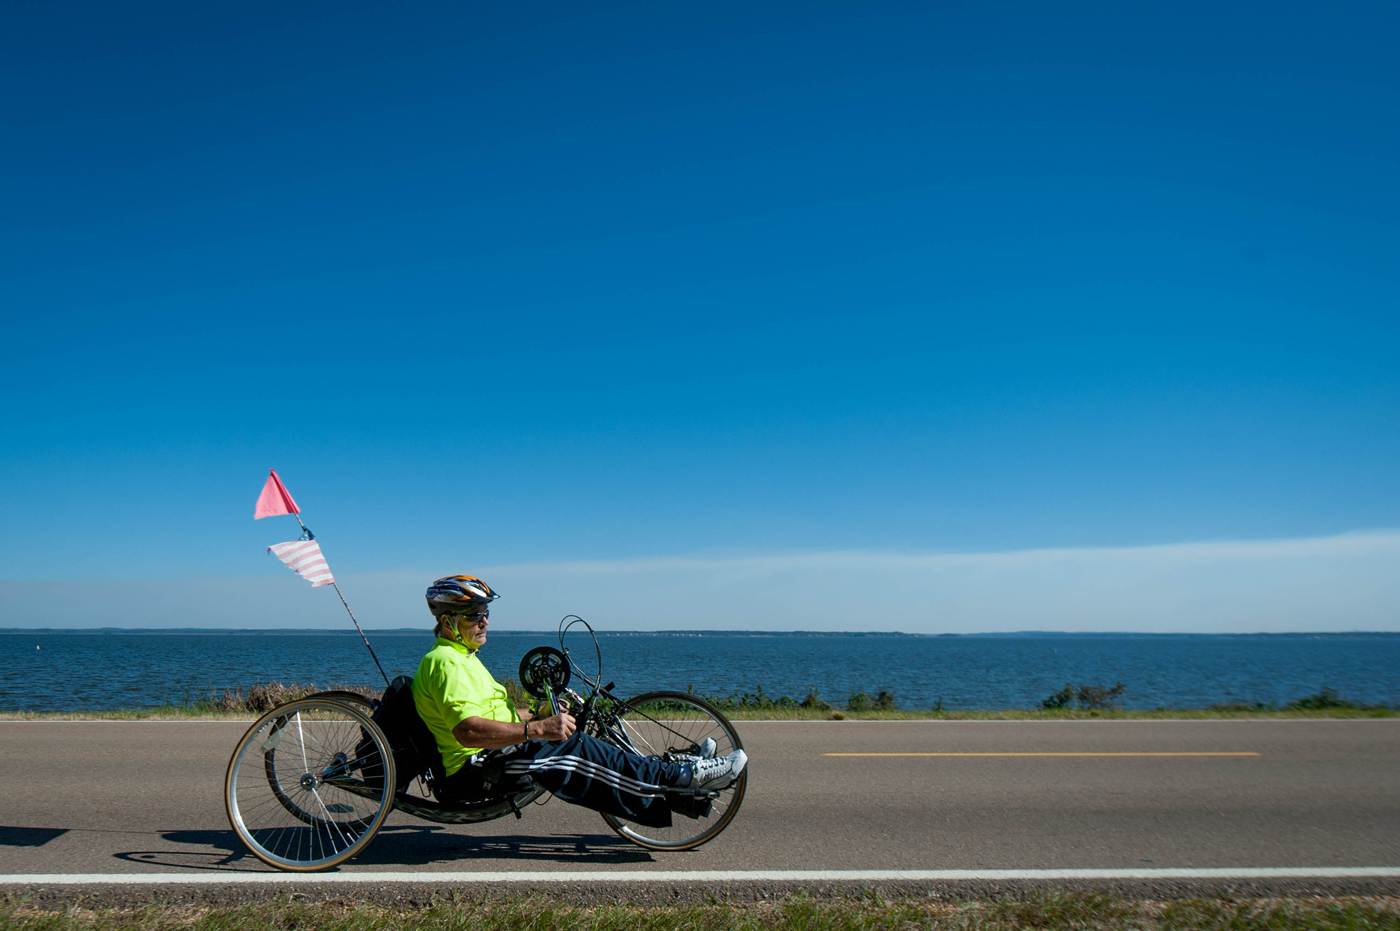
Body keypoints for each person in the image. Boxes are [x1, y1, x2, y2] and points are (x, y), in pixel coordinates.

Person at [410, 575, 746, 828]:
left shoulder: (461, 657)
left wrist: (538, 713)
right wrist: (539, 728)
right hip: (476, 769)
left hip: (495, 754)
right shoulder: (447, 663)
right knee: (576, 752)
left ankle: (677, 778)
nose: (484, 621)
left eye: (485, 613)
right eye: (474, 615)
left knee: (583, 746)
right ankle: (682, 777)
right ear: (447, 621)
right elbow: (468, 732)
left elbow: (495, 715)